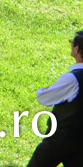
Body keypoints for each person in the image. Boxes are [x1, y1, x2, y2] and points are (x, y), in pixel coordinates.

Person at [30, 29, 83, 167]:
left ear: (77, 49)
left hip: (61, 140)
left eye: (72, 43)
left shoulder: (72, 79)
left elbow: (43, 97)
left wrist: (44, 89)